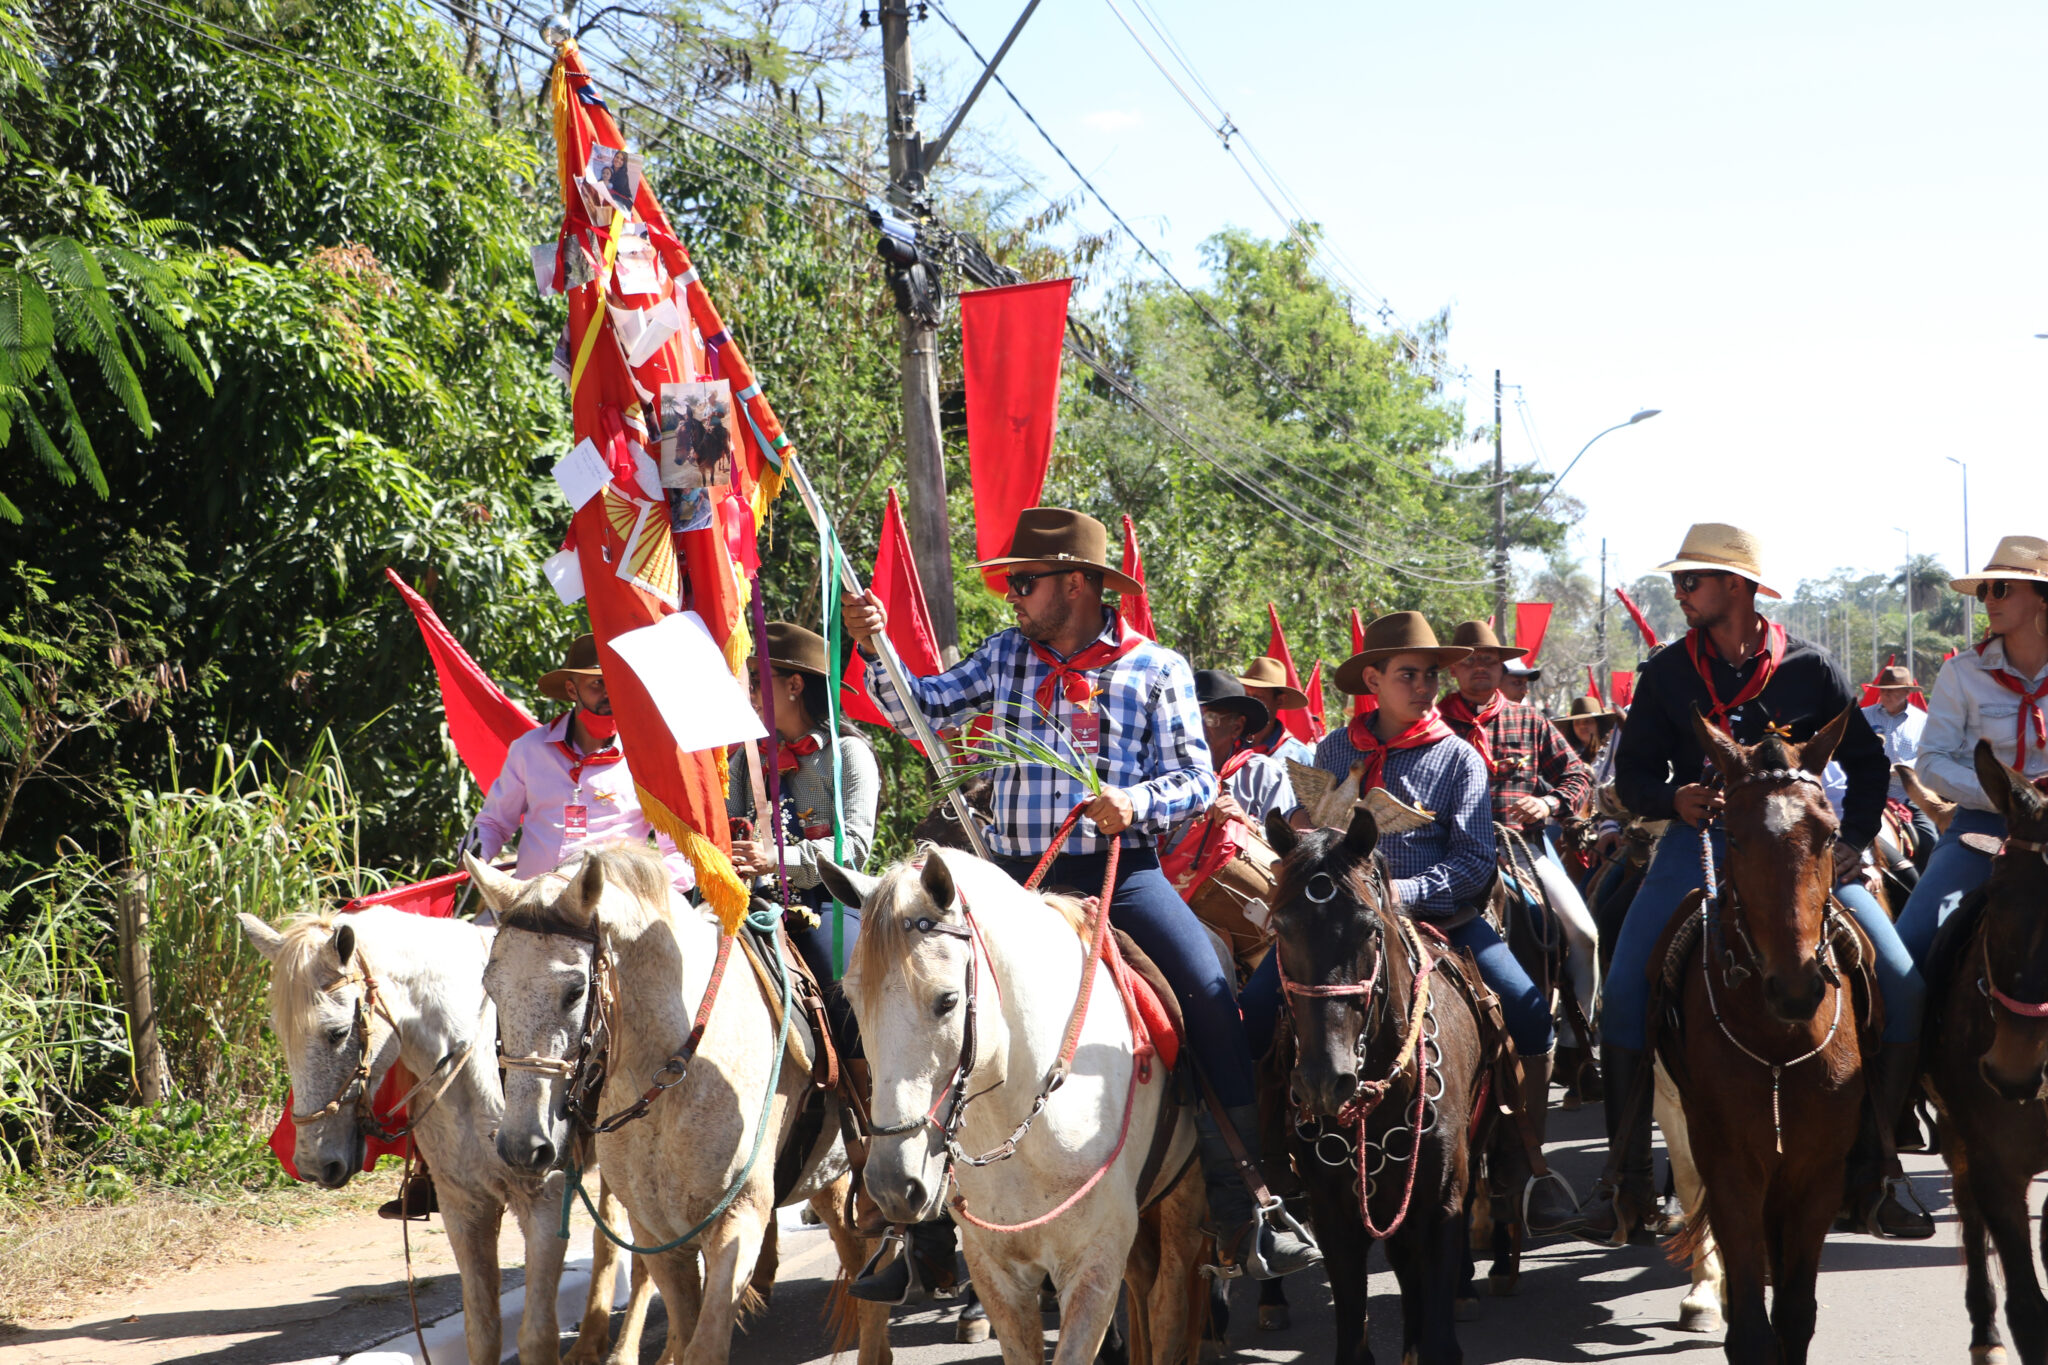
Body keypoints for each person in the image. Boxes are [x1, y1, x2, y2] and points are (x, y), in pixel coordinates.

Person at [844, 506, 1321, 1282]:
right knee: (904, 988)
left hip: (1120, 877)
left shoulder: (1156, 668)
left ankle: (1245, 1202)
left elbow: (1198, 781)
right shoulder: (1005, 655)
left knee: (1204, 985)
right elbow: (922, 710)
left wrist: (1136, 802)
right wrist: (877, 647)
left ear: (1076, 582)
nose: (1014, 598)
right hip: (1012, 880)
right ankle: (911, 1224)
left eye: (1024, 583)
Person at [1581, 523, 1930, 1243]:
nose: (1680, 593)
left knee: (1901, 980)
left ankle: (1876, 1166)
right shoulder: (1668, 672)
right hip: (1702, 840)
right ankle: (1625, 1178)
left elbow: (1867, 764)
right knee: (1623, 988)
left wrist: (1853, 842)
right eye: (1679, 582)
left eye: (1692, 581)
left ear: (1736, 586)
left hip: (1800, 853)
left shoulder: (1811, 667)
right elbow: (1633, 773)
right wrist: (1669, 799)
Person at [1283, 611, 1582, 1235]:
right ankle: (1269, 1179)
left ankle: (1525, 1162)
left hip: (1440, 915)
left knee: (1525, 1007)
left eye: (1428, 675)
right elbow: (1314, 832)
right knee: (1256, 1009)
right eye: (1409, 674)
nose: (1424, 686)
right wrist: (1303, 833)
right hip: (1342, 927)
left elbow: (1474, 862)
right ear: (1373, 678)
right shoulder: (1334, 750)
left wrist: (1394, 899)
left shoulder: (1457, 758)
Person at [1437, 619, 1602, 1203]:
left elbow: (1578, 773)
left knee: (1580, 932)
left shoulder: (1529, 720)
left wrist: (1551, 800)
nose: (1481, 669)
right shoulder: (1433, 723)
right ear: (1453, 668)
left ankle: (1580, 1042)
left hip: (1522, 846)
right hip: (1449, 855)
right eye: (1470, 661)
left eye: (1491, 661)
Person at [725, 621, 879, 1053]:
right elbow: (736, 827)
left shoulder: (848, 754)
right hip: (754, 898)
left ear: (794, 684)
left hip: (827, 900)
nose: (749, 693)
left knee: (840, 986)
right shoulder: (747, 760)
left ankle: (864, 1095)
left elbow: (852, 849)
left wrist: (774, 858)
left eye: (756, 682)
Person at [1894, 535, 2048, 964]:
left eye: (2001, 588)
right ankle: (1903, 1032)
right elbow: (1931, 762)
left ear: (2042, 599)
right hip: (1982, 828)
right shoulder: (1960, 673)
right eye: (1984, 590)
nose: (1988, 600)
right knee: (1907, 950)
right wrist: (2006, 798)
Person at [468, 633, 693, 887]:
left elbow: (680, 853)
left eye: (617, 684)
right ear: (572, 689)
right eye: (597, 684)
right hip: (531, 907)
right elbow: (493, 823)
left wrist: (638, 891)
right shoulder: (529, 750)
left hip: (609, 914)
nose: (610, 694)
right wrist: (475, 858)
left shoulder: (648, 759)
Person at [1235, 656, 1318, 767]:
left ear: (1280, 700)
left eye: (1258, 697)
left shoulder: (1300, 757)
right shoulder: (1226, 744)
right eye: (1246, 695)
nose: (1249, 702)